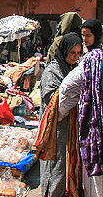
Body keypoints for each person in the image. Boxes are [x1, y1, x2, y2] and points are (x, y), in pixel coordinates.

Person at [34, 32, 83, 197]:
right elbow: (50, 100)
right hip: (54, 128)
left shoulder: (74, 68)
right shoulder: (52, 71)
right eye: (72, 53)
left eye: (78, 53)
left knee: (66, 164)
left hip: (69, 126)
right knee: (54, 165)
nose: (75, 57)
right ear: (64, 51)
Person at [58, 20, 103, 197]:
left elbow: (67, 90)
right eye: (82, 35)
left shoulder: (90, 60)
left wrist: (60, 113)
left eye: (88, 35)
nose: (84, 39)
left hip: (93, 126)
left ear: (96, 36)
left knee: (94, 181)